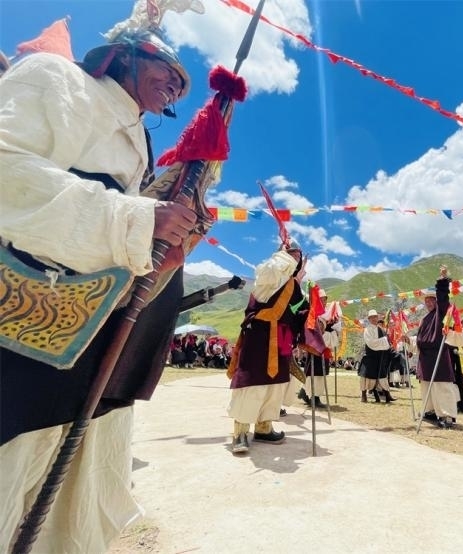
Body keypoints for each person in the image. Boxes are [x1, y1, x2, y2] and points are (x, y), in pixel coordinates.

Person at [0, 17, 199, 552]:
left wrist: (162, 239)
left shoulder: (139, 141)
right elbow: (5, 173)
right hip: (25, 323)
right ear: (123, 54)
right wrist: (134, 221)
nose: (175, 84)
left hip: (96, 338)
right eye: (167, 68)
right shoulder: (54, 77)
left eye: (181, 83)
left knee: (72, 489)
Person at [227, 240, 309, 454]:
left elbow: (298, 312)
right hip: (259, 335)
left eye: (298, 257)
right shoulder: (269, 274)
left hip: (282, 337)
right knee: (252, 383)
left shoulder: (293, 286)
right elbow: (271, 270)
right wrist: (284, 255)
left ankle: (264, 427)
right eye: (291, 254)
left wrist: (313, 319)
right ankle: (240, 432)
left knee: (276, 385)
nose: (295, 259)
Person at [415, 266, 460, 429]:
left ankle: (446, 415)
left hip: (438, 356)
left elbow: (443, 300)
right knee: (427, 385)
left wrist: (442, 281)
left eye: (432, 300)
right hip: (425, 358)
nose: (429, 303)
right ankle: (430, 411)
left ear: (436, 301)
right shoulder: (426, 318)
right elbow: (421, 338)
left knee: (441, 386)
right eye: (426, 301)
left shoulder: (440, 314)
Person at [300, 288, 341, 408]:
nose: (323, 301)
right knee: (313, 374)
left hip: (323, 350)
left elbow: (331, 332)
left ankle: (309, 394)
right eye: (321, 299)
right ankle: (312, 396)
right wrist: (330, 333)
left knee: (320, 375)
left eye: (325, 299)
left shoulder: (328, 316)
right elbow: (315, 334)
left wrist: (333, 331)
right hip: (314, 349)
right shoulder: (313, 315)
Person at [359, 309, 395, 403]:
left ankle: (387, 394)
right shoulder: (367, 330)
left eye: (375, 317)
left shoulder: (381, 329)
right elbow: (371, 343)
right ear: (369, 319)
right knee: (366, 376)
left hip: (380, 356)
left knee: (382, 376)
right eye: (372, 317)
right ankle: (363, 395)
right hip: (370, 356)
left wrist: (386, 342)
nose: (374, 319)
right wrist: (383, 341)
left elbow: (386, 343)